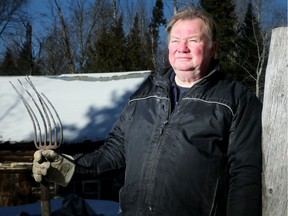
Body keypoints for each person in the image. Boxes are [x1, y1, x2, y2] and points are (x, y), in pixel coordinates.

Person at [33, 5, 262, 216]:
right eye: (175, 40)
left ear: (212, 48)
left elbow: (245, 176)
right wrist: (67, 167)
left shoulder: (235, 100)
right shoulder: (144, 94)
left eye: (193, 40)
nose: (182, 47)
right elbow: (114, 152)